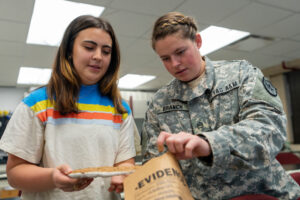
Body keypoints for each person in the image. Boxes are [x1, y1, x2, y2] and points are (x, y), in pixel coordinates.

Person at [141, 12, 300, 200]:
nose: (175, 64)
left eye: (180, 52)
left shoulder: (241, 74)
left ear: (198, 41)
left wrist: (209, 144)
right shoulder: (159, 103)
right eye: (165, 59)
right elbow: (154, 165)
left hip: (262, 194)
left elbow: (270, 130)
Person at [0, 15, 136, 200]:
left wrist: (123, 174)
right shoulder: (38, 103)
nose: (98, 56)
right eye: (89, 47)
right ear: (69, 51)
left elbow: (125, 162)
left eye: (106, 51)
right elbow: (15, 174)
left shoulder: (121, 109)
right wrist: (52, 178)